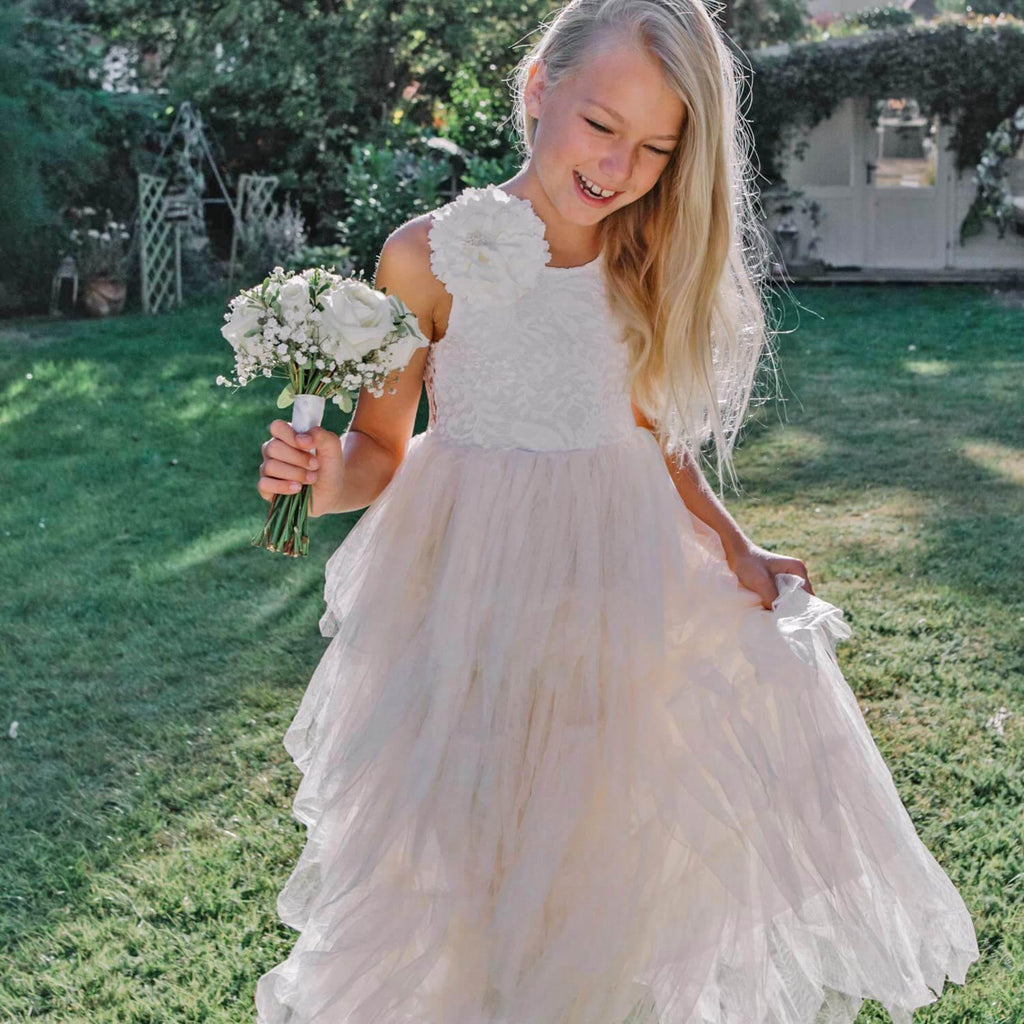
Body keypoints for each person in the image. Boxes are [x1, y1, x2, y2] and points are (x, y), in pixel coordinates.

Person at [252, 1, 979, 1021]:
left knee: (602, 863)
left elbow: (651, 443)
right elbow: (379, 444)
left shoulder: (640, 262)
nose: (620, 166)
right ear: (539, 87)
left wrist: (739, 548)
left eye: (655, 147)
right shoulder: (429, 256)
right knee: (466, 861)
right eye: (602, 126)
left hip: (612, 598)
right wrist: (322, 476)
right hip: (467, 597)